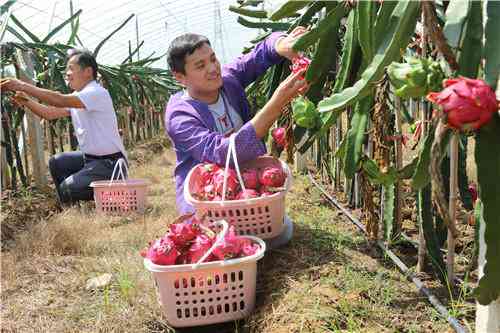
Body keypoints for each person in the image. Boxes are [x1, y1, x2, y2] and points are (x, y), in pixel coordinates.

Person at [164, 27, 309, 215]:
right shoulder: (179, 116)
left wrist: (283, 43)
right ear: (180, 77)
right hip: (207, 198)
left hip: (247, 186)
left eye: (213, 59)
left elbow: (262, 52)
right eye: (200, 66)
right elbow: (223, 153)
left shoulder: (228, 80)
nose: (213, 68)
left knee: (281, 233)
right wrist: (278, 102)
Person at [1, 49, 127, 206]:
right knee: (57, 162)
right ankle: (71, 205)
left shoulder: (95, 93)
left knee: (68, 188)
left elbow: (58, 100)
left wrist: (22, 85)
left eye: (71, 68)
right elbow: (49, 113)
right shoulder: (81, 97)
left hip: (110, 165)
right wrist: (26, 101)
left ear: (88, 72)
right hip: (91, 160)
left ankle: (112, 193)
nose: (67, 73)